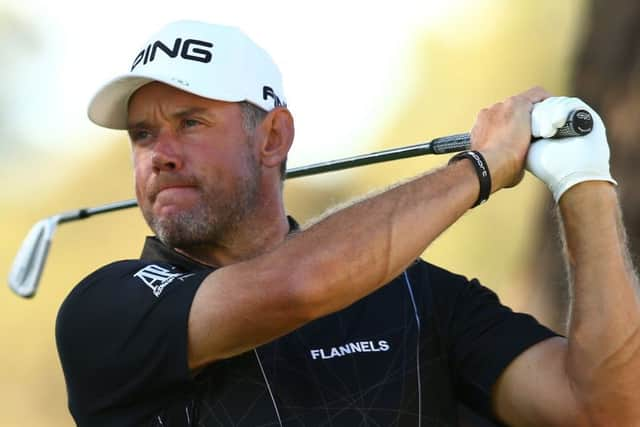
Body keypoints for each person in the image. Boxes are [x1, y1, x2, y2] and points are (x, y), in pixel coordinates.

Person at [55, 20, 640, 427]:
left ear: (273, 138)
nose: (160, 153)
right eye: (143, 134)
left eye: (190, 123)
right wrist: (479, 169)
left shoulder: (420, 300)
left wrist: (582, 181)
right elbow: (297, 285)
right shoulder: (108, 310)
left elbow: (606, 409)